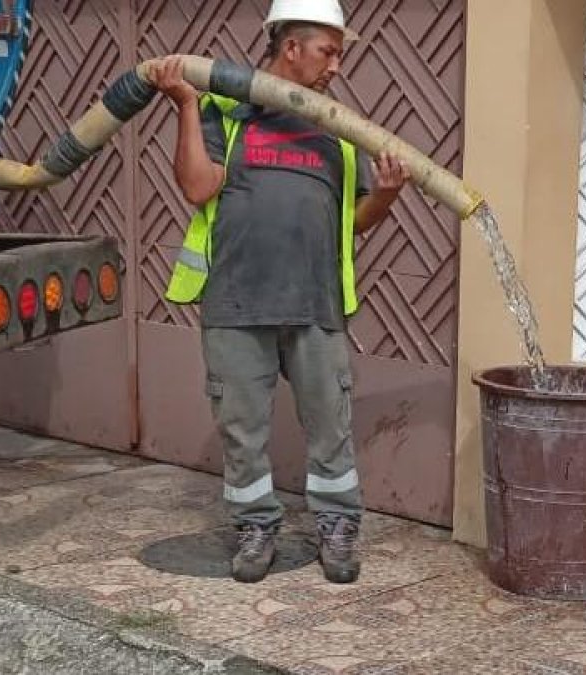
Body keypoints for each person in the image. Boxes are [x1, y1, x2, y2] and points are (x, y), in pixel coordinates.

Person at [149, 0, 410, 584]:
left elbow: (353, 222)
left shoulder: (338, 131)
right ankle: (255, 525)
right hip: (237, 304)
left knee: (330, 425)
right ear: (290, 47)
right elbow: (197, 185)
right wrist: (188, 104)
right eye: (328, 51)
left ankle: (338, 526)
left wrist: (387, 196)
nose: (336, 66)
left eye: (339, 54)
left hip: (315, 306)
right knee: (241, 428)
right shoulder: (230, 112)